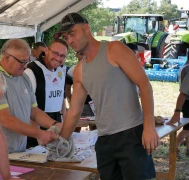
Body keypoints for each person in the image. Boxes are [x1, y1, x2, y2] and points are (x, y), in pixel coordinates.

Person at [55, 13, 159, 179]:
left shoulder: (114, 49)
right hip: (104, 140)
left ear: (86, 28)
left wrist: (149, 127)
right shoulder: (79, 70)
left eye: (72, 34)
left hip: (131, 134)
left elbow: (144, 85)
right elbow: (74, 111)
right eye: (66, 37)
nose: (70, 41)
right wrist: (61, 142)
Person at [0, 39, 60, 167]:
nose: (25, 66)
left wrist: (55, 125)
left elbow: (34, 112)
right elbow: (5, 119)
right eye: (22, 62)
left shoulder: (24, 77)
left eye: (27, 61)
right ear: (6, 58)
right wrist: (40, 134)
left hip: (19, 150)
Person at [24, 39, 68, 148]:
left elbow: (61, 98)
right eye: (55, 53)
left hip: (57, 122)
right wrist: (37, 134)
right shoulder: (32, 70)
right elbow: (28, 106)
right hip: (37, 126)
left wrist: (65, 124)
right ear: (47, 50)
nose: (58, 58)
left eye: (62, 56)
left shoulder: (61, 70)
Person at [167, 49, 189, 157]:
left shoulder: (184, 67)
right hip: (188, 102)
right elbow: (183, 93)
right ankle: (174, 148)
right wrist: (177, 111)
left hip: (186, 102)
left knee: (188, 129)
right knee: (186, 129)